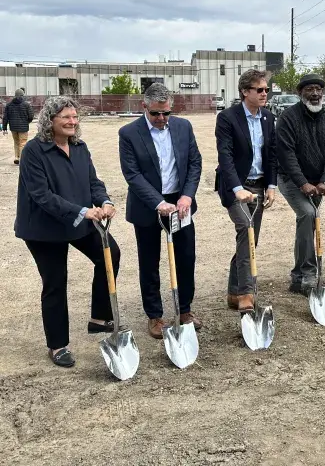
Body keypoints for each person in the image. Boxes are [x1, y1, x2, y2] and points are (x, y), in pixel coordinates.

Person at [14, 96, 119, 367]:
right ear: (50, 121)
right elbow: (41, 196)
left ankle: (99, 317)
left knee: (111, 253)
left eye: (75, 117)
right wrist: (84, 211)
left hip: (77, 220)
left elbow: (93, 182)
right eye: (66, 118)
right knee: (56, 282)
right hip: (43, 228)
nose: (73, 122)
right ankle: (57, 345)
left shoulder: (79, 147)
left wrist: (104, 201)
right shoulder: (34, 151)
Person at [119, 83, 203, 338]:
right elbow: (132, 174)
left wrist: (187, 195)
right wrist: (158, 202)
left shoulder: (183, 127)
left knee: (185, 257)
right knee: (150, 261)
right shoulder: (129, 133)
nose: (162, 118)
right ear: (144, 107)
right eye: (156, 113)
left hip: (180, 204)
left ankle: (185, 309)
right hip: (148, 207)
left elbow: (194, 162)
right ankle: (154, 316)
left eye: (166, 113)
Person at [215, 69, 277, 313]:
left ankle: (233, 291)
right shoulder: (228, 118)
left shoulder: (268, 118)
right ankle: (246, 294)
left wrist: (272, 185)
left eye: (266, 90)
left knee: (250, 240)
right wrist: (237, 188)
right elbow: (226, 156)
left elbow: (271, 154)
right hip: (236, 187)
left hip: (259, 185)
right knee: (246, 229)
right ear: (244, 91)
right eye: (259, 90)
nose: (264, 94)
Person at [276, 73, 325, 295]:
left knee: (308, 223)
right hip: (290, 179)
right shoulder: (288, 117)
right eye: (309, 89)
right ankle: (309, 274)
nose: (314, 93)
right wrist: (302, 183)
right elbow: (286, 155)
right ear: (299, 92)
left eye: (318, 89)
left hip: (318, 182)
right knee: (307, 215)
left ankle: (297, 276)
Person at [3, 88, 35, 164]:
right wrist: (27, 122)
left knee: (16, 142)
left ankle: (16, 157)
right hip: (23, 127)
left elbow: (5, 117)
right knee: (23, 143)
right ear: (22, 95)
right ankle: (22, 159)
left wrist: (4, 127)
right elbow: (31, 115)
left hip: (13, 127)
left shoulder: (9, 105)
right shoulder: (26, 104)